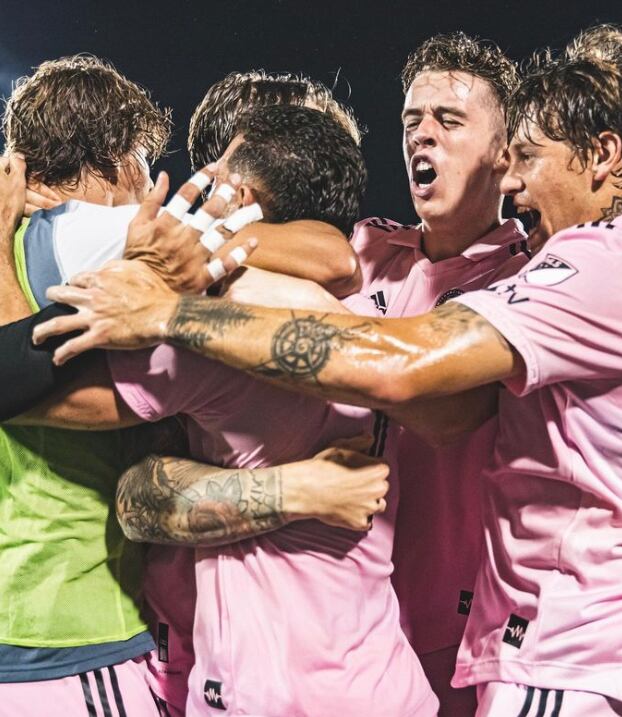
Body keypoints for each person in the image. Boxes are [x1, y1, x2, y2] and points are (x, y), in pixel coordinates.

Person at [42, 49, 622, 716]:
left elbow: (412, 378)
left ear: (501, 152)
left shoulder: (545, 274)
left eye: (451, 119)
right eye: (412, 120)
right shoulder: (370, 251)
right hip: (354, 636)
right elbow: (329, 253)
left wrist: (169, 301)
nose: (423, 135)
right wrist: (184, 245)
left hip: (484, 629)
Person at [19, 104, 437, 717]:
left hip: (265, 697)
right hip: (382, 686)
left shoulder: (214, 334)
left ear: (235, 192)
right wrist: (293, 489)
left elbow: (30, 399)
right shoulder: (371, 324)